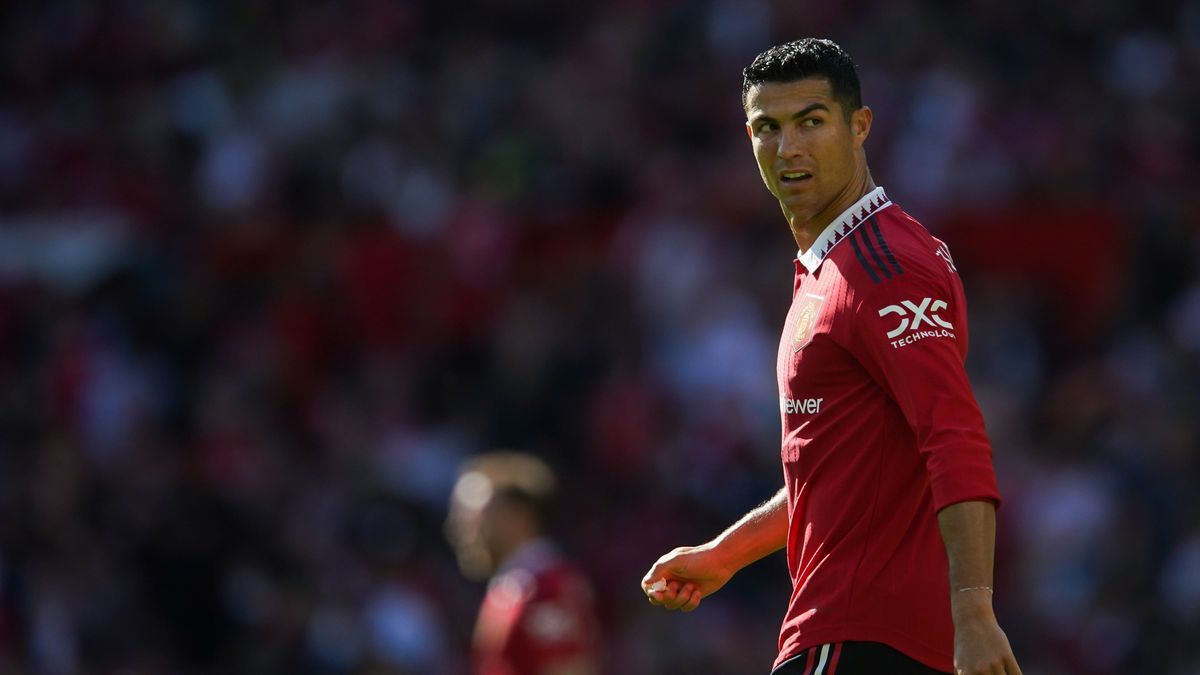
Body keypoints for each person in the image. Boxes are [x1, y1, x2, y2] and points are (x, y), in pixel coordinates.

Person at [640, 39, 1022, 675]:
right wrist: (727, 553)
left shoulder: (883, 265)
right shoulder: (834, 268)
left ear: (860, 126)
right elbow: (846, 466)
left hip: (857, 635)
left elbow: (953, 436)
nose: (789, 148)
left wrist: (975, 614)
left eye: (811, 122)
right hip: (873, 636)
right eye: (768, 128)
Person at [446, 451, 600, 675]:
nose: (463, 526)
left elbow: (568, 667)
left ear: (515, 515)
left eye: (473, 511)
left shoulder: (546, 586)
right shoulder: (516, 585)